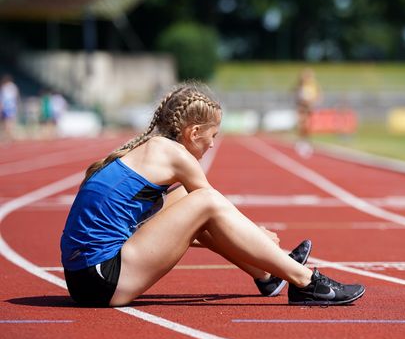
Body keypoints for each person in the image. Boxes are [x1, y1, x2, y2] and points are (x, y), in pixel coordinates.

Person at [60, 82, 365, 307]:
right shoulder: (176, 155)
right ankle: (305, 282)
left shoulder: (148, 148)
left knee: (185, 202)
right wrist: (258, 235)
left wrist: (260, 248)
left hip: (84, 279)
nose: (212, 145)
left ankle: (267, 274)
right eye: (212, 136)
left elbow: (196, 229)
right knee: (204, 202)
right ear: (193, 133)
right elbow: (215, 209)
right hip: (102, 279)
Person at [293, 67, 321, 157]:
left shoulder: (314, 85)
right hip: (301, 107)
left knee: (308, 125)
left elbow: (318, 95)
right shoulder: (300, 85)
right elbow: (295, 94)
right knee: (302, 123)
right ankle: (301, 141)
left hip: (310, 107)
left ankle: (307, 141)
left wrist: (313, 102)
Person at [0, 74, 20, 142]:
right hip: (12, 107)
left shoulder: (4, 87)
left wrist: (1, 107)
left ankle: (8, 137)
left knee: (6, 123)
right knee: (9, 123)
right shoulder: (13, 87)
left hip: (7, 107)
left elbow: (2, 99)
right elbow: (16, 97)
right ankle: (9, 136)